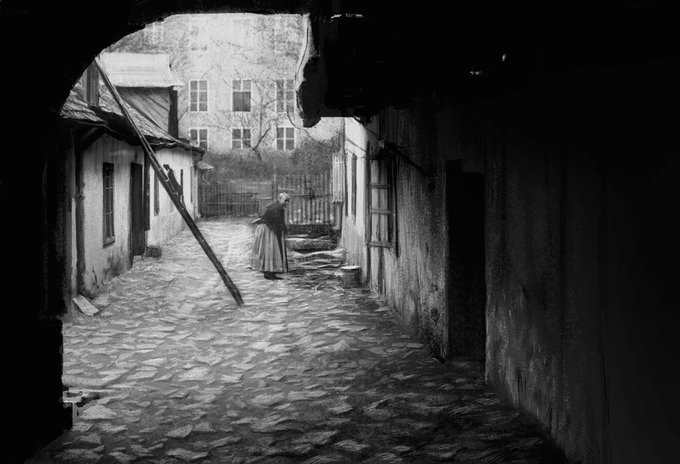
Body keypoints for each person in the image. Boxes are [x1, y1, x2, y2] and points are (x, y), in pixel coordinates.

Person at [251, 192, 291, 279]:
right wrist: (282, 230)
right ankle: (269, 272)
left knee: (271, 250)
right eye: (285, 200)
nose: (287, 203)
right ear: (280, 199)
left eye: (288, 201)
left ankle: (271, 270)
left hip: (269, 227)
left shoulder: (278, 206)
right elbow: (277, 222)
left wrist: (284, 230)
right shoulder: (276, 207)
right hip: (267, 229)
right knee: (270, 250)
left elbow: (279, 222)